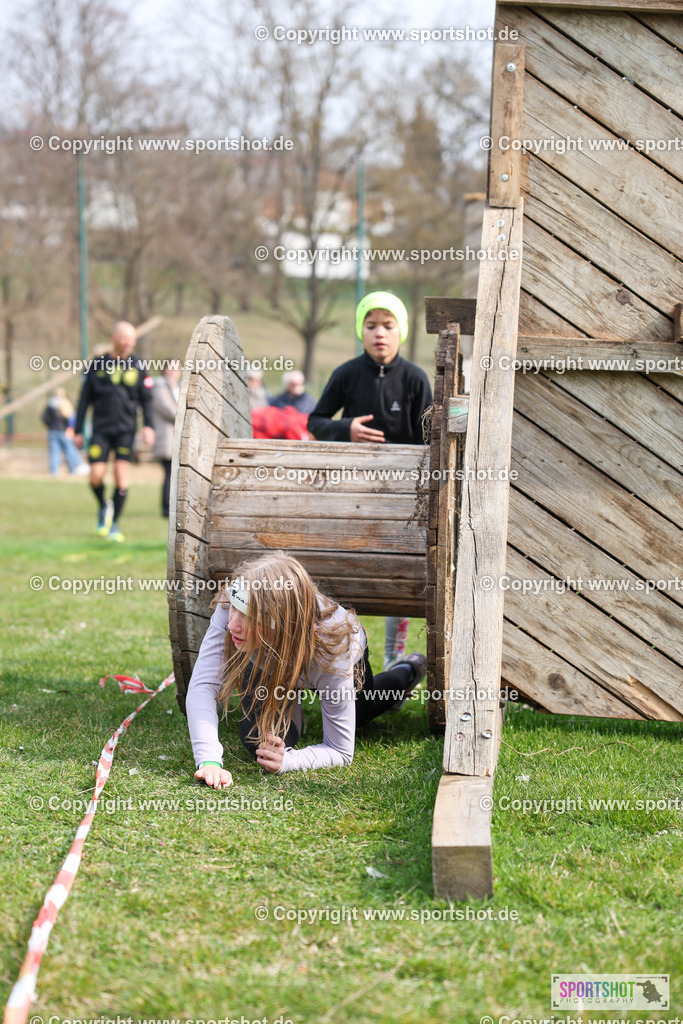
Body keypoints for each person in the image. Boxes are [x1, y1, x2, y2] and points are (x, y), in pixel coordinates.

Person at [186, 551, 428, 788]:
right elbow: (204, 684)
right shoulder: (237, 596)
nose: (231, 625)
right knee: (258, 743)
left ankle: (409, 669)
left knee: (363, 716)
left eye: (247, 616)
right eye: (233, 609)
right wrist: (209, 760)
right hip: (270, 658)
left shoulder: (335, 650)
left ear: (278, 620)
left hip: (328, 658)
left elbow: (340, 750)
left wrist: (290, 761)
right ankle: (291, 705)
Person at [307, 291, 433, 668]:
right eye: (371, 325)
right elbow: (315, 422)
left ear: (401, 332)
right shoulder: (346, 374)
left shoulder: (415, 379)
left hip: (402, 499)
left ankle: (395, 658)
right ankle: (342, 657)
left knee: (400, 576)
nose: (380, 333)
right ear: (360, 331)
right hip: (351, 493)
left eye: (388, 325)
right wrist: (346, 428)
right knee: (345, 572)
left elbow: (430, 438)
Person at [74, 321, 155, 542]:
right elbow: (84, 400)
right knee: (95, 476)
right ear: (114, 337)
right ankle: (104, 505)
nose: (129, 343)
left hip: (125, 431)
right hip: (100, 429)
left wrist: (149, 426)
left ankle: (115, 526)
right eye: (125, 338)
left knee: (121, 478)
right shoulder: (97, 365)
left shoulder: (138, 366)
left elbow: (147, 401)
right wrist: (78, 430)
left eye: (132, 339)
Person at [151, 359, 181, 517]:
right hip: (166, 438)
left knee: (174, 473)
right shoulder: (159, 387)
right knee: (170, 472)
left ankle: (172, 505)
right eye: (170, 368)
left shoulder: (178, 388)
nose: (172, 371)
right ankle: (167, 508)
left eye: (176, 368)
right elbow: (169, 410)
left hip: (176, 437)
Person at [41, 388, 89, 476]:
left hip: (53, 431)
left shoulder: (51, 404)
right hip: (65, 432)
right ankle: (74, 469)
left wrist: (50, 426)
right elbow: (72, 419)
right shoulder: (66, 404)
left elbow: (45, 418)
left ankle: (54, 472)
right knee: (70, 450)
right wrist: (70, 429)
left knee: (55, 452)